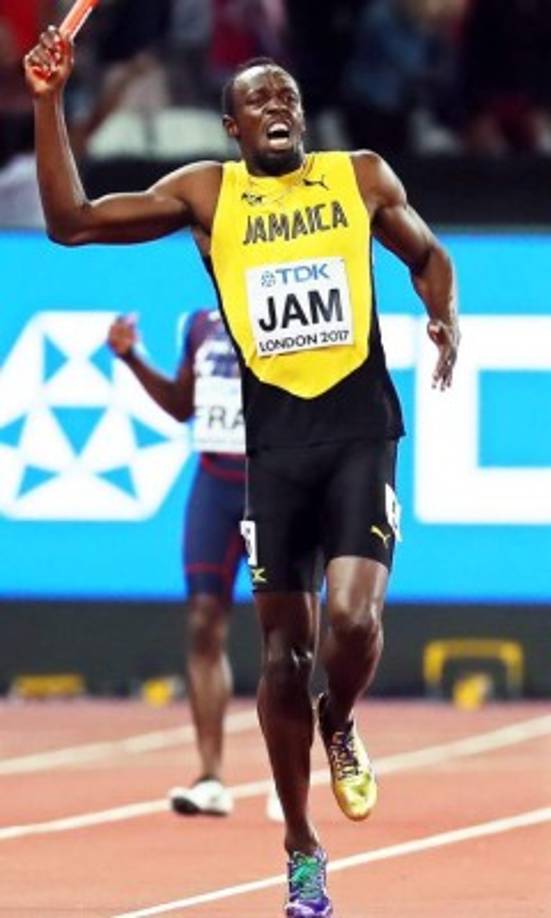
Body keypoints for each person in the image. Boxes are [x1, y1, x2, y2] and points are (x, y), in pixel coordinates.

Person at [25, 33, 460, 917]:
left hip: (359, 429)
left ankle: (338, 719)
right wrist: (46, 101)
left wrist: (443, 314)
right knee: (281, 655)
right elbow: (70, 222)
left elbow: (427, 256)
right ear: (230, 126)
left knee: (350, 620)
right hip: (273, 451)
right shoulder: (204, 196)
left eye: (288, 98)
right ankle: (301, 845)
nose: (277, 110)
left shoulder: (360, 176)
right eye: (258, 102)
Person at [107, 309, 282, 821]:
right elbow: (182, 405)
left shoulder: (281, 310)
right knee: (204, 621)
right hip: (213, 483)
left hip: (272, 485)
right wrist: (131, 359)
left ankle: (285, 775)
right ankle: (210, 778)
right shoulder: (199, 322)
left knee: (284, 634)